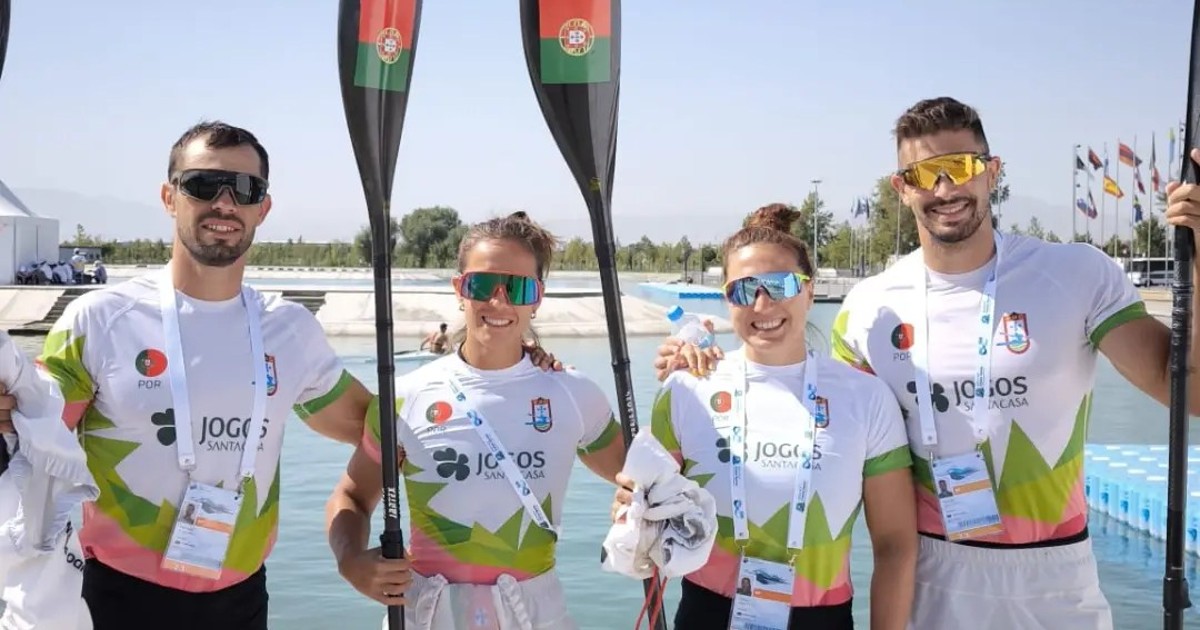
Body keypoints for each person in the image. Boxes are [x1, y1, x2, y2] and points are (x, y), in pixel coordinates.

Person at [655, 97, 1200, 629]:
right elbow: (812, 410)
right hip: (933, 575)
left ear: (992, 172)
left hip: (1054, 571)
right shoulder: (869, 307)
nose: (944, 189)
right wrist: (705, 368)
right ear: (901, 188)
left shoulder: (1078, 273)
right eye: (922, 175)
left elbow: (1189, 395)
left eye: (959, 166)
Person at [35, 121, 377, 630]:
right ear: (169, 197)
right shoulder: (99, 320)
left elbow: (382, 430)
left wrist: (350, 546)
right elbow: (27, 437)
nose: (224, 203)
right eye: (202, 184)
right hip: (114, 599)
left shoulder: (290, 330)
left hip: (240, 601)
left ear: (263, 208)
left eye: (244, 189)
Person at [326, 211, 628, 629]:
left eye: (518, 288)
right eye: (483, 285)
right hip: (427, 613)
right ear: (460, 290)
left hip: (534, 614)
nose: (499, 301)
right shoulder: (404, 396)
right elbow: (352, 497)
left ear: (537, 298)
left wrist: (687, 367)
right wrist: (350, 561)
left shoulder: (574, 394)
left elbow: (645, 479)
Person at [622, 205, 916, 630]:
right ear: (727, 299)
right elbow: (644, 513)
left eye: (780, 285)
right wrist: (629, 508)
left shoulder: (866, 397)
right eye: (744, 290)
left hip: (822, 617)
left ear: (810, 292)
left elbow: (895, 545)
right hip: (707, 613)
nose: (763, 303)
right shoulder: (686, 390)